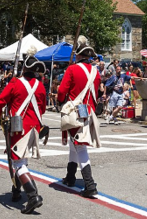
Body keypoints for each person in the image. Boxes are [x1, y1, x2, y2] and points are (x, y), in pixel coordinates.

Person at [0, 54, 47, 214]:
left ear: (24, 68)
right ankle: (17, 191)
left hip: (19, 127)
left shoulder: (15, 83)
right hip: (35, 127)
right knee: (22, 160)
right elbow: (43, 108)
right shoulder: (40, 85)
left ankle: (33, 196)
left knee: (17, 163)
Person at [57, 36, 101, 198]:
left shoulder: (72, 69)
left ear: (79, 56)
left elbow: (62, 91)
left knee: (80, 145)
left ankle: (89, 184)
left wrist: (61, 102)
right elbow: (98, 92)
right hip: (89, 110)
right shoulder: (96, 71)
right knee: (73, 143)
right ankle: (70, 177)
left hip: (76, 111)